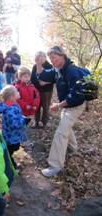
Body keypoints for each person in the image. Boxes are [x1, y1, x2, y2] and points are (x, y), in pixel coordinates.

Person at [42, 46, 86, 177]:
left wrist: (58, 105)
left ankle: (55, 166)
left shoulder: (72, 71)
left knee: (61, 133)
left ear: (62, 56)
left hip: (75, 106)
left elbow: (75, 96)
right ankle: (73, 148)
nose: (52, 61)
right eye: (50, 58)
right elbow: (45, 76)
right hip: (67, 106)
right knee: (65, 126)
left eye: (54, 58)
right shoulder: (60, 70)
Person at [0, 85, 29, 168]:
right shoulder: (10, 109)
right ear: (11, 96)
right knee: (11, 150)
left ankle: (9, 160)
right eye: (17, 91)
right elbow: (14, 124)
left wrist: (21, 118)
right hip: (11, 136)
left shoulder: (11, 104)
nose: (18, 92)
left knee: (12, 148)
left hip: (10, 135)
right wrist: (24, 120)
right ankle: (10, 164)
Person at [31, 51, 55, 128]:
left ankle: (45, 122)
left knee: (46, 106)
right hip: (37, 90)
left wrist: (46, 82)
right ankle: (36, 121)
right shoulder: (35, 66)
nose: (40, 58)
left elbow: (54, 78)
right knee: (36, 106)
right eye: (38, 57)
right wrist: (37, 84)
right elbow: (32, 78)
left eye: (42, 56)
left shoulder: (50, 66)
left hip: (47, 90)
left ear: (45, 57)